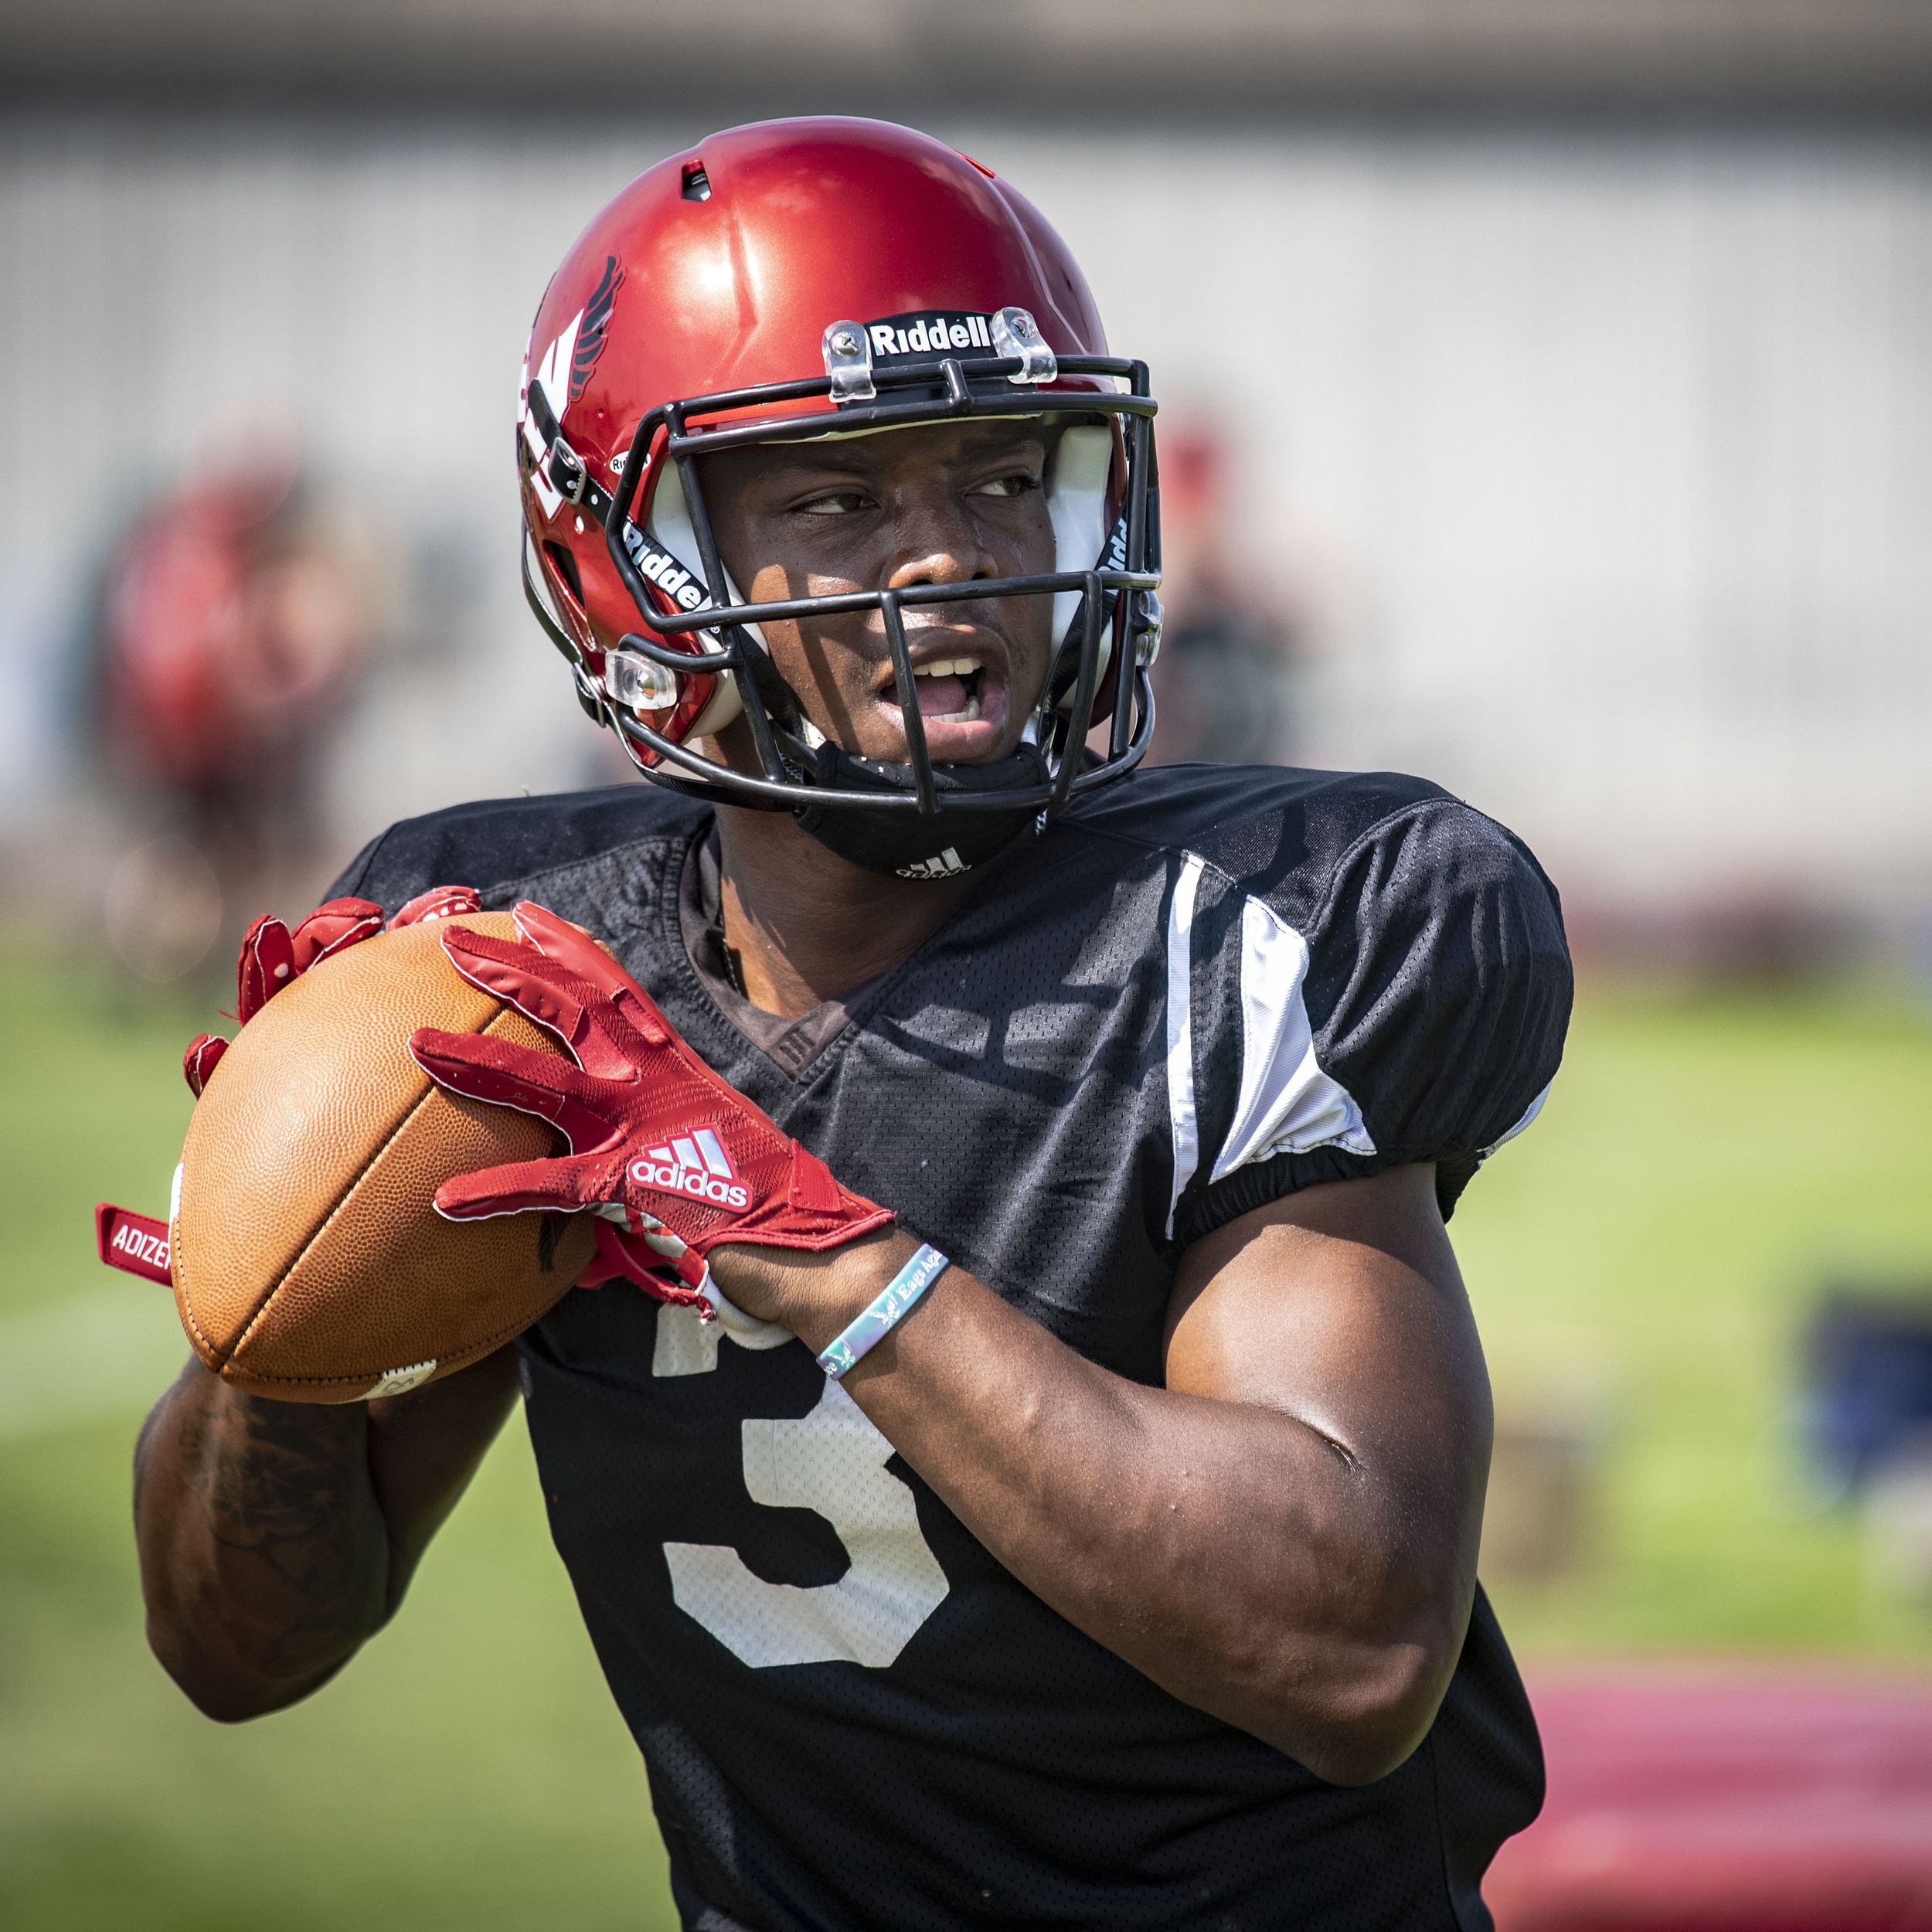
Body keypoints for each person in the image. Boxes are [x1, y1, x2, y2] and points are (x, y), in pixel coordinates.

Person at [132, 119, 1571, 1930]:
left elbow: (1354, 1648)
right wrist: (265, 1321)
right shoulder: (512, 967)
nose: (949, 566)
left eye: (993, 477)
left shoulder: (1251, 927)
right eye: (837, 499)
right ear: (625, 556)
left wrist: (822, 1252)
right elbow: (240, 1651)